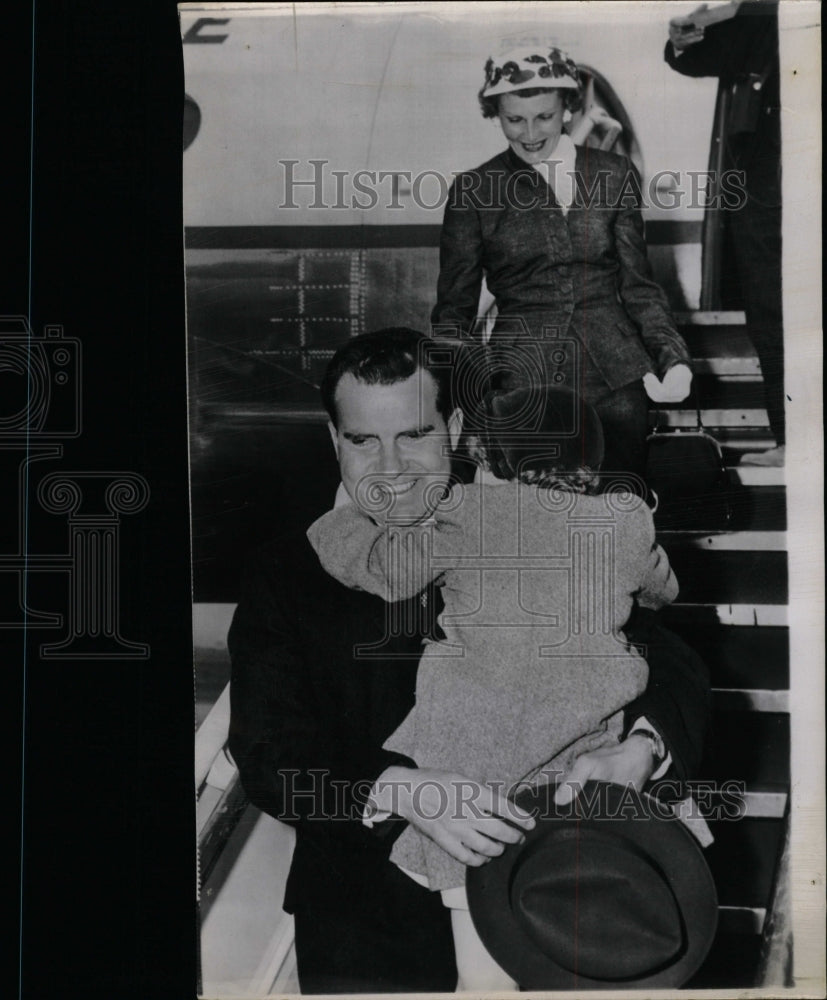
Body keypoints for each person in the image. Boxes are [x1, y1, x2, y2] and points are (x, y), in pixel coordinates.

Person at [227, 327, 711, 993]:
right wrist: (398, 788)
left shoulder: (548, 524)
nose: (390, 468)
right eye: (364, 440)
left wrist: (640, 751)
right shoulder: (285, 570)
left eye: (414, 435)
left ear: (453, 429)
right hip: (365, 928)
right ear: (333, 440)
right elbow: (267, 756)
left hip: (553, 898)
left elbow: (675, 660)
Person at [430, 45, 694, 480]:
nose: (530, 133)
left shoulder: (615, 174)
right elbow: (452, 314)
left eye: (544, 117)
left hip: (618, 380)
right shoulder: (474, 190)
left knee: (620, 514)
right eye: (514, 119)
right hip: (521, 380)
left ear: (568, 110)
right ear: (495, 113)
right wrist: (452, 396)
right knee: (530, 524)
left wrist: (673, 360)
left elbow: (639, 287)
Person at [665, 1, 784, 466]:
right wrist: (683, 37)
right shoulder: (758, 13)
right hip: (765, 171)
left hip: (773, 171)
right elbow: (696, 52)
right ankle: (793, 437)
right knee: (769, 306)